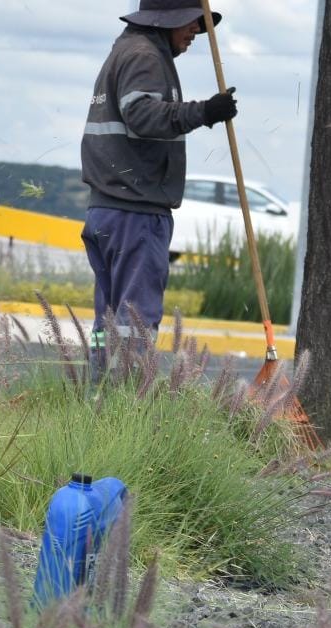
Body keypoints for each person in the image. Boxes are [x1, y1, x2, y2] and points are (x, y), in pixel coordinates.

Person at [80, 0, 238, 377]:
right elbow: (142, 114)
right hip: (135, 212)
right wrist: (204, 112)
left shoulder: (125, 50)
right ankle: (125, 404)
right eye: (191, 23)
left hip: (108, 211)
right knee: (135, 320)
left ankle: (99, 397)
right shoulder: (145, 56)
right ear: (167, 20)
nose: (196, 33)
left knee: (111, 321)